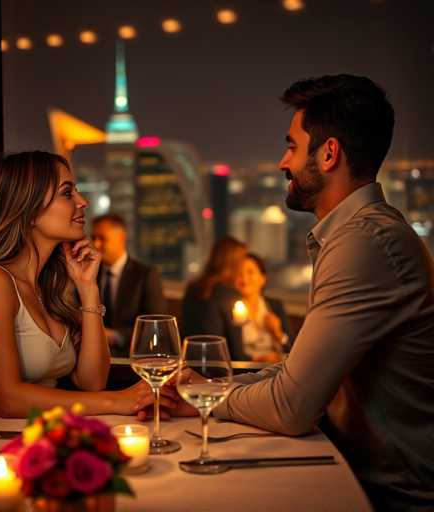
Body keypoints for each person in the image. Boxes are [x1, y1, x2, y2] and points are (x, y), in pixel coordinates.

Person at [175, 75, 434, 510]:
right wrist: (208, 387)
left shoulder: (364, 242)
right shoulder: (357, 235)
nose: (282, 161)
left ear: (329, 153)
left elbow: (291, 406)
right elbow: (296, 372)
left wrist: (206, 398)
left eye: (292, 146)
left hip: (391, 497)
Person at [0, 151, 172, 418]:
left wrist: (89, 290)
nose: (83, 201)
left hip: (35, 437)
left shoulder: (49, 286)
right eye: (67, 194)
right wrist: (119, 401)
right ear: (29, 210)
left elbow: (92, 382)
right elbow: (8, 399)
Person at [91, 214, 167, 357]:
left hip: (132, 360)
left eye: (102, 238)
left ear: (121, 238)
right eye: (93, 238)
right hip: (93, 357)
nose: (96, 244)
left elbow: (156, 325)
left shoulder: (145, 275)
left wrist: (116, 336)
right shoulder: (90, 275)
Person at [181, 236, 248, 360]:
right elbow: (236, 347)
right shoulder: (230, 294)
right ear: (235, 262)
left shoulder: (193, 288)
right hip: (217, 366)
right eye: (244, 258)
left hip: (189, 361)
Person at [234, 253, 291, 362]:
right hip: (246, 369)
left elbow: (292, 349)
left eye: (250, 272)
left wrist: (278, 333)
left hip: (275, 367)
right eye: (239, 274)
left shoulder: (274, 305)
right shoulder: (229, 308)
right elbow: (232, 353)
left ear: (262, 278)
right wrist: (258, 360)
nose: (244, 278)